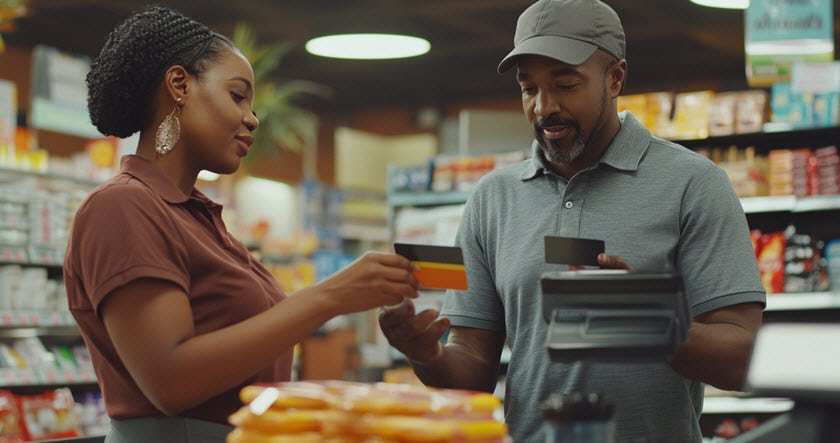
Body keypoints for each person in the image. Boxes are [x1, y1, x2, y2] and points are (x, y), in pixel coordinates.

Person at [379, 0, 766, 442]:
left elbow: (743, 357)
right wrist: (425, 353)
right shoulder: (493, 198)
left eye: (565, 84)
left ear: (616, 77)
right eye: (529, 89)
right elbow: (472, 369)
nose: (545, 108)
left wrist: (655, 321)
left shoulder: (693, 184)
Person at [64, 6, 419, 442]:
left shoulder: (200, 220)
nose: (253, 118)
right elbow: (171, 383)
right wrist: (328, 298)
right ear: (179, 85)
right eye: (237, 96)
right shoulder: (122, 206)